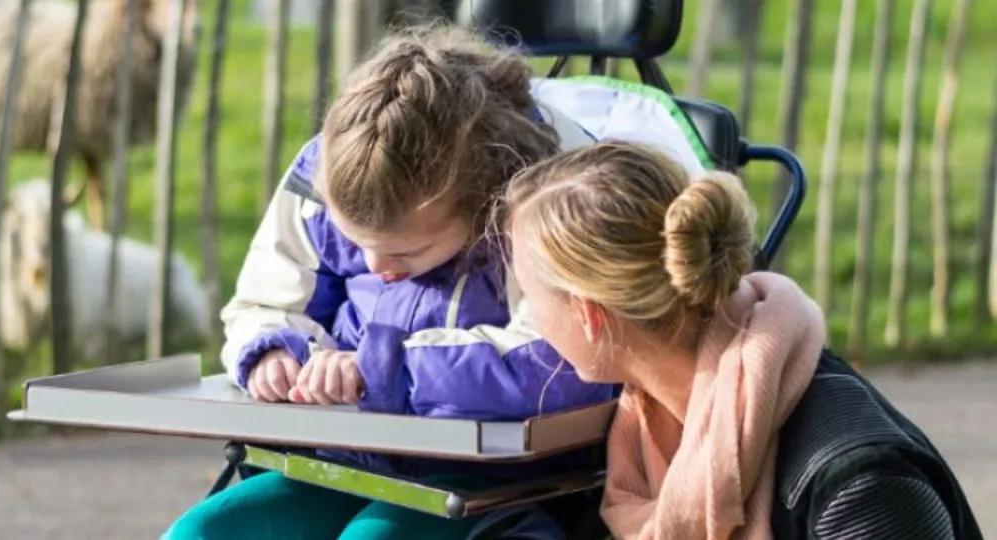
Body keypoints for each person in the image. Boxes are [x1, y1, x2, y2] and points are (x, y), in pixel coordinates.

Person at [158, 22, 720, 539]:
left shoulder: (548, 196)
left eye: (406, 249)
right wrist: (273, 351)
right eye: (357, 244)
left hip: (497, 482)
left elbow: (564, 363)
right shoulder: (338, 166)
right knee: (202, 532)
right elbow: (265, 295)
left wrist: (381, 369)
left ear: (482, 203)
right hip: (349, 459)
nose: (376, 265)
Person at [484, 140, 982, 539]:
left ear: (589, 316)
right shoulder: (647, 435)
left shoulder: (856, 483)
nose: (525, 316)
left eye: (528, 294)